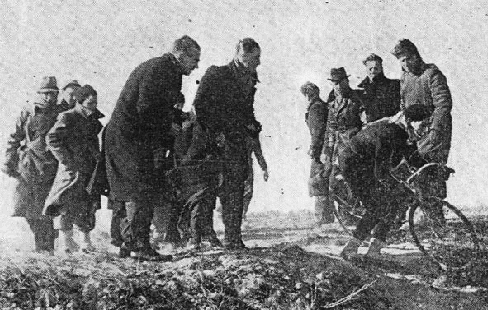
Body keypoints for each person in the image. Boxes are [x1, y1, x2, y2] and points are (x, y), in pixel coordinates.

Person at [104, 35, 200, 261]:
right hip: (128, 139)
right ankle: (138, 245)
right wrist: (170, 127)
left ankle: (132, 244)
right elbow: (146, 108)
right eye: (194, 59)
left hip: (132, 138)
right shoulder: (160, 69)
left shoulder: (168, 70)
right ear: (180, 54)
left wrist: (180, 116)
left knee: (141, 189)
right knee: (140, 189)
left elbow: (158, 107)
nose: (196, 65)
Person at [193, 38, 262, 250]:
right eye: (254, 58)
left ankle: (233, 238)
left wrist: (252, 126)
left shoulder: (250, 78)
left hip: (236, 141)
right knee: (208, 189)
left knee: (235, 190)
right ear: (240, 55)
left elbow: (247, 111)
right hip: (212, 142)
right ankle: (201, 235)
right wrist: (216, 133)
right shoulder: (217, 74)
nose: (258, 63)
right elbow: (200, 106)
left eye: (259, 58)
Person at [340, 104, 430, 259]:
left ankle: (375, 248)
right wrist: (396, 185)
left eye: (428, 125)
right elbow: (380, 172)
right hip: (354, 165)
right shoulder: (390, 133)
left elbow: (413, 157)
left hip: (369, 165)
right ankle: (350, 248)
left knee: (398, 198)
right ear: (409, 120)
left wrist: (433, 167)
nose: (426, 130)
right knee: (378, 205)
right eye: (423, 124)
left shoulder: (404, 132)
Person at [391, 39, 453, 219]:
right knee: (408, 172)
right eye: (401, 60)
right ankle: (407, 217)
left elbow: (443, 106)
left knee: (430, 172)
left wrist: (434, 131)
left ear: (416, 56)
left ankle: (436, 220)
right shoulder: (405, 77)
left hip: (435, 132)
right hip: (414, 132)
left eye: (408, 58)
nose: (406, 64)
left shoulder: (432, 74)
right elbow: (404, 105)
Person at [2, 76, 60, 253]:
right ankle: (42, 243)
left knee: (47, 208)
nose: (50, 97)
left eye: (53, 94)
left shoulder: (60, 112)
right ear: (40, 94)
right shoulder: (28, 112)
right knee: (28, 208)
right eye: (47, 94)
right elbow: (14, 137)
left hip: (52, 167)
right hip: (29, 167)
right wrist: (8, 162)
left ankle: (46, 247)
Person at [43, 85, 104, 254]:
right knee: (65, 205)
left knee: (87, 205)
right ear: (80, 101)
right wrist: (67, 161)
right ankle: (66, 244)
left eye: (95, 102)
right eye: (89, 101)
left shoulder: (92, 120)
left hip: (89, 169)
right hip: (72, 171)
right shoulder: (68, 117)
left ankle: (85, 243)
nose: (93, 105)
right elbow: (52, 139)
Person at [324, 67, 364, 208]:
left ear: (347, 81)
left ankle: (358, 208)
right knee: (335, 180)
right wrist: (327, 151)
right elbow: (330, 129)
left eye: (341, 82)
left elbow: (365, 122)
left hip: (353, 145)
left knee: (353, 178)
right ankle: (345, 211)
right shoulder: (332, 103)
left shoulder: (357, 100)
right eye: (335, 83)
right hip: (336, 147)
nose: (339, 86)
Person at [300, 81, 334, 225]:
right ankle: (326, 218)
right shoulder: (321, 106)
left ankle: (322, 219)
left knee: (318, 182)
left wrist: (314, 148)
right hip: (324, 148)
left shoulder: (316, 108)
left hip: (320, 151)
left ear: (308, 94)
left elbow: (317, 131)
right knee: (323, 182)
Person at [357, 54, 400, 123]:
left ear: (381, 68)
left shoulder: (393, 85)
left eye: (376, 68)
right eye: (370, 68)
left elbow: (397, 109)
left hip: (388, 124)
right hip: (367, 127)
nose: (373, 71)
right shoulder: (360, 89)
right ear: (366, 69)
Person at [242, 135, 268, 219]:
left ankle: (241, 216)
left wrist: (264, 168)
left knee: (248, 193)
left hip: (246, 166)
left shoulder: (251, 132)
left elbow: (258, 152)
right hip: (230, 166)